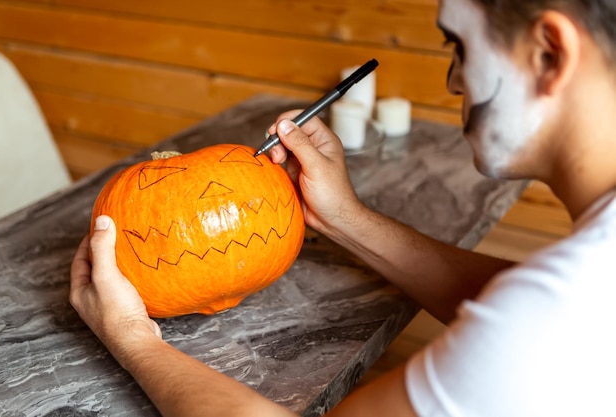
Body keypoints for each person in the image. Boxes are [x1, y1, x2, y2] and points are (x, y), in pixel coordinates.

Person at [70, 0, 616, 415]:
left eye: (461, 48)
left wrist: (132, 338)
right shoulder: (574, 296)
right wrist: (343, 217)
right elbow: (512, 303)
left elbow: (536, 320)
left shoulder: (560, 318)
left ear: (550, 53)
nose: (453, 83)